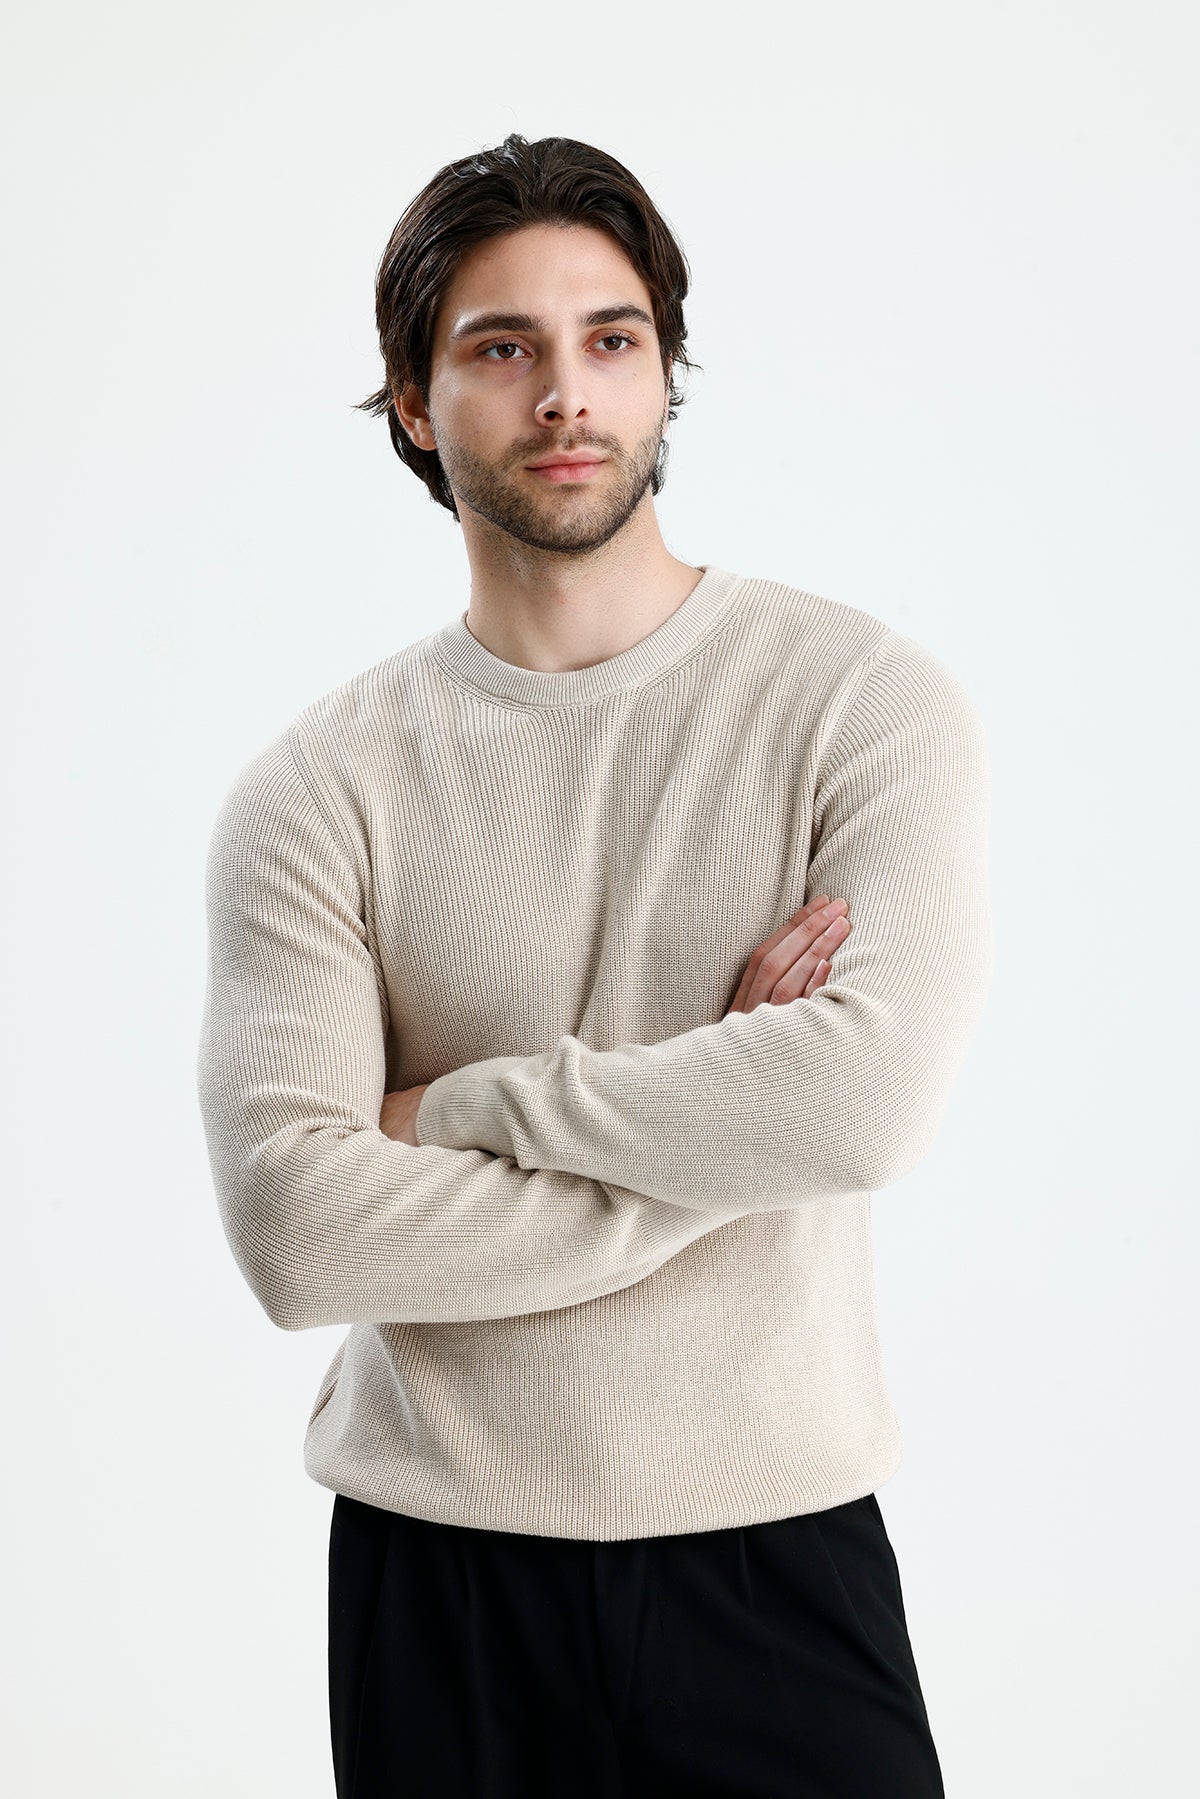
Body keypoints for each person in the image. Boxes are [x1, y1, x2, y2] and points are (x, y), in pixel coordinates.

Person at [196, 132, 993, 1798]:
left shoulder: (859, 703)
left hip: (777, 1554)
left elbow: (858, 1112)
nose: (566, 393)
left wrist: (443, 1111)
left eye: (611, 339)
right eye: (503, 348)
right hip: (439, 1580)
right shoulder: (319, 791)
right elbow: (298, 1231)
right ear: (415, 405)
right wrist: (724, 1126)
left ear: (664, 371)